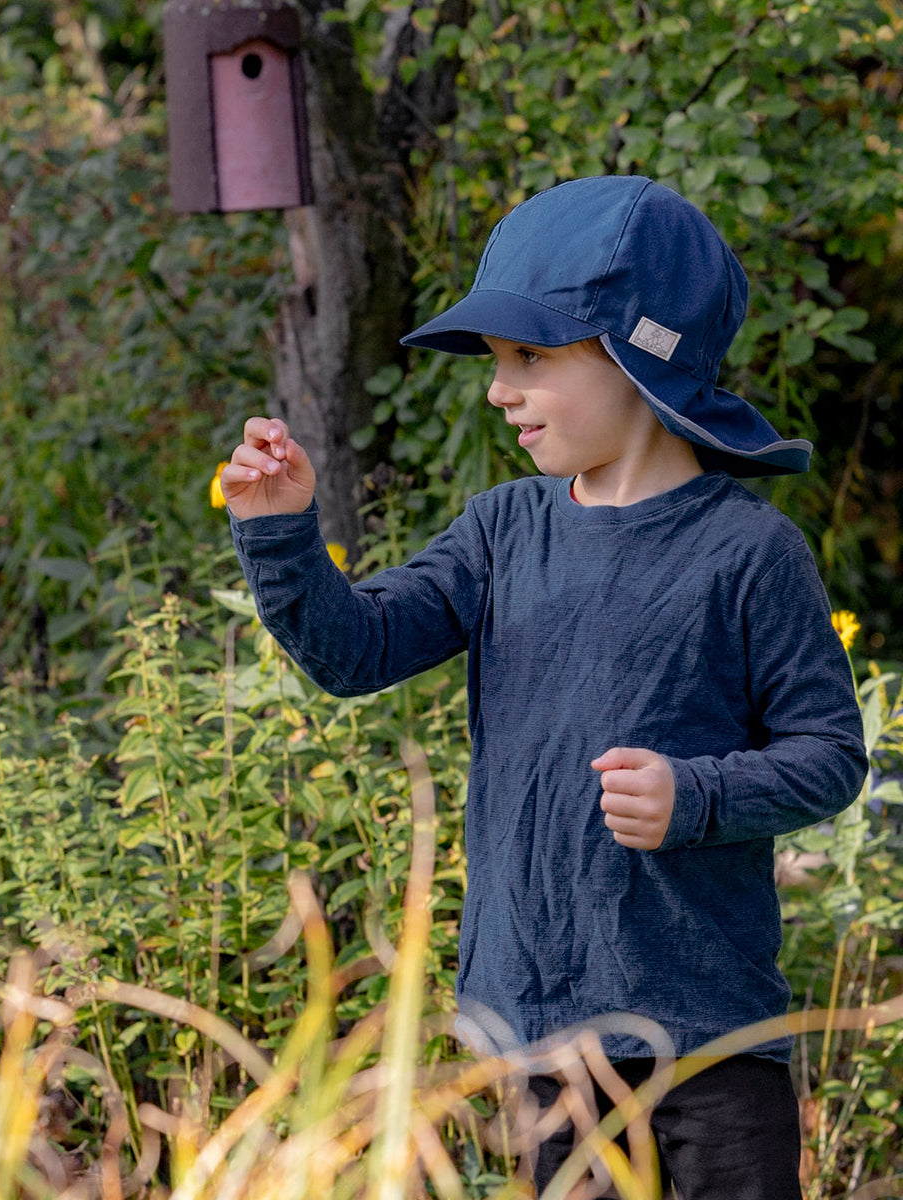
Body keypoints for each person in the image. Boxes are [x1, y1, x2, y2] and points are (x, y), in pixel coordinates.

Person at [220, 175, 867, 1198]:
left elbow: (830, 756)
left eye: (529, 358)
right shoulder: (501, 532)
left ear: (638, 353)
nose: (497, 390)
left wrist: (696, 796)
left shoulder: (750, 552)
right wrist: (281, 532)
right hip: (546, 1035)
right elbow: (357, 652)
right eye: (495, 363)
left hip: (711, 1040)